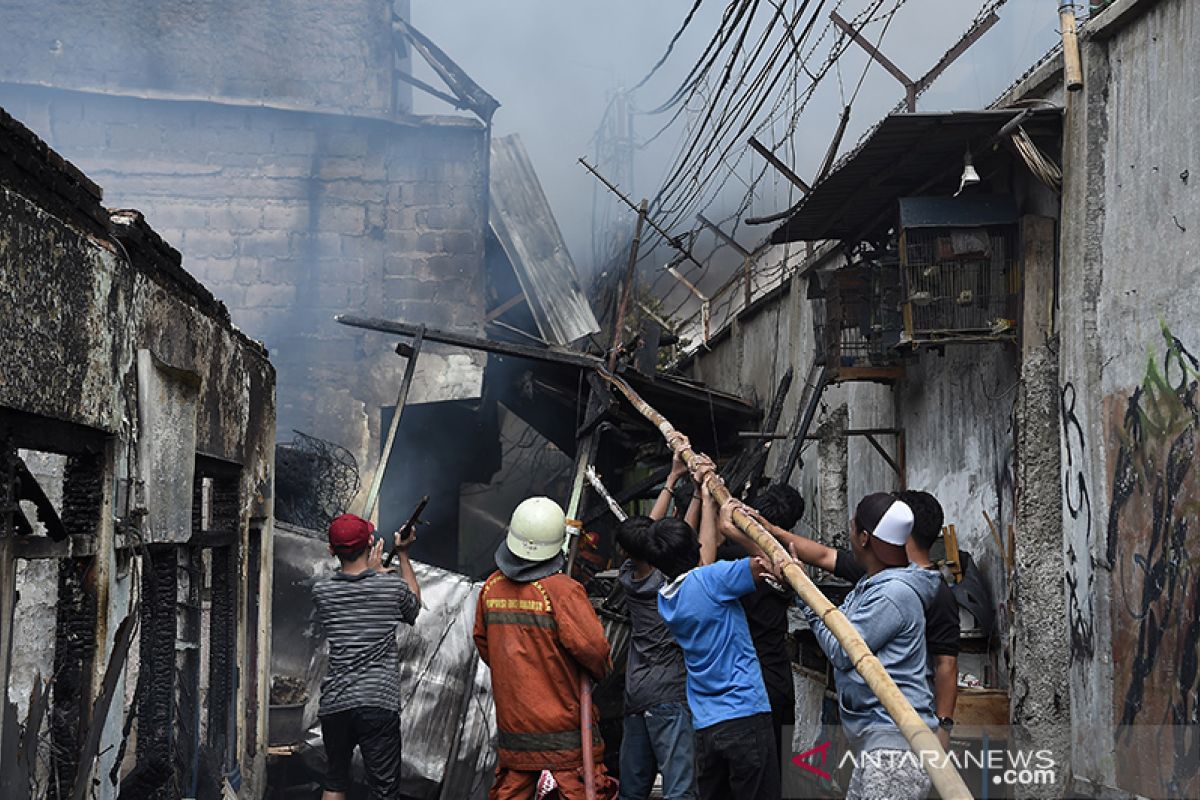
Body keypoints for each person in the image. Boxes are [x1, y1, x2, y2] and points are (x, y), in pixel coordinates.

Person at [756, 489, 960, 747]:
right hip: (873, 724)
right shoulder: (878, 572)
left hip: (895, 726)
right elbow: (824, 556)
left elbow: (946, 664)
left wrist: (943, 727)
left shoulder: (909, 592)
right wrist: (773, 533)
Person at [792, 493, 940, 800]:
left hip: (894, 747)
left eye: (853, 525)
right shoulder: (874, 583)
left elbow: (841, 650)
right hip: (876, 741)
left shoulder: (893, 594)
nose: (849, 532)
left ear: (863, 537)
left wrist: (804, 594)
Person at [473, 496, 618, 800]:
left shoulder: (490, 588)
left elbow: (485, 646)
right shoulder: (561, 591)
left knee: (511, 792)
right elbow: (594, 651)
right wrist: (601, 671)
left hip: (515, 727)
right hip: (565, 729)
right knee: (583, 791)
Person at [647, 480, 782, 800]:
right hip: (745, 713)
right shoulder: (712, 579)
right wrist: (732, 529)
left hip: (707, 725)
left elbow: (702, 561)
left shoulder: (668, 598)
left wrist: (707, 498)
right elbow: (773, 565)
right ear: (693, 548)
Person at [312, 513, 422, 800]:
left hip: (336, 702)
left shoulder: (322, 591)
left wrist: (374, 574)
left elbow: (356, 590)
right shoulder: (391, 588)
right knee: (384, 791)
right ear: (371, 542)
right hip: (377, 701)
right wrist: (402, 554)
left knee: (335, 781)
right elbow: (414, 606)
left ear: (331, 550)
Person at [714, 482, 804, 766]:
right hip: (773, 674)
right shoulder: (787, 564)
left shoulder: (728, 556)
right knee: (776, 766)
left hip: (736, 678)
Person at [615, 514, 697, 800]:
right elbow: (678, 538)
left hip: (636, 693)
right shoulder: (666, 584)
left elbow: (641, 535)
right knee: (680, 788)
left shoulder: (628, 578)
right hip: (668, 693)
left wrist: (671, 480)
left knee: (632, 790)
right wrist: (698, 496)